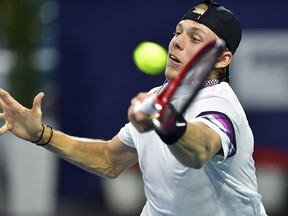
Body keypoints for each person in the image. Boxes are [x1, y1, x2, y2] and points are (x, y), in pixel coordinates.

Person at [0, 0, 267, 215]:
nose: (177, 41)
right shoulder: (156, 97)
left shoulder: (220, 105)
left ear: (222, 58)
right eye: (178, 32)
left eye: (195, 38)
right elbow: (108, 160)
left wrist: (167, 123)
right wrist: (41, 135)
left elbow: (199, 149)